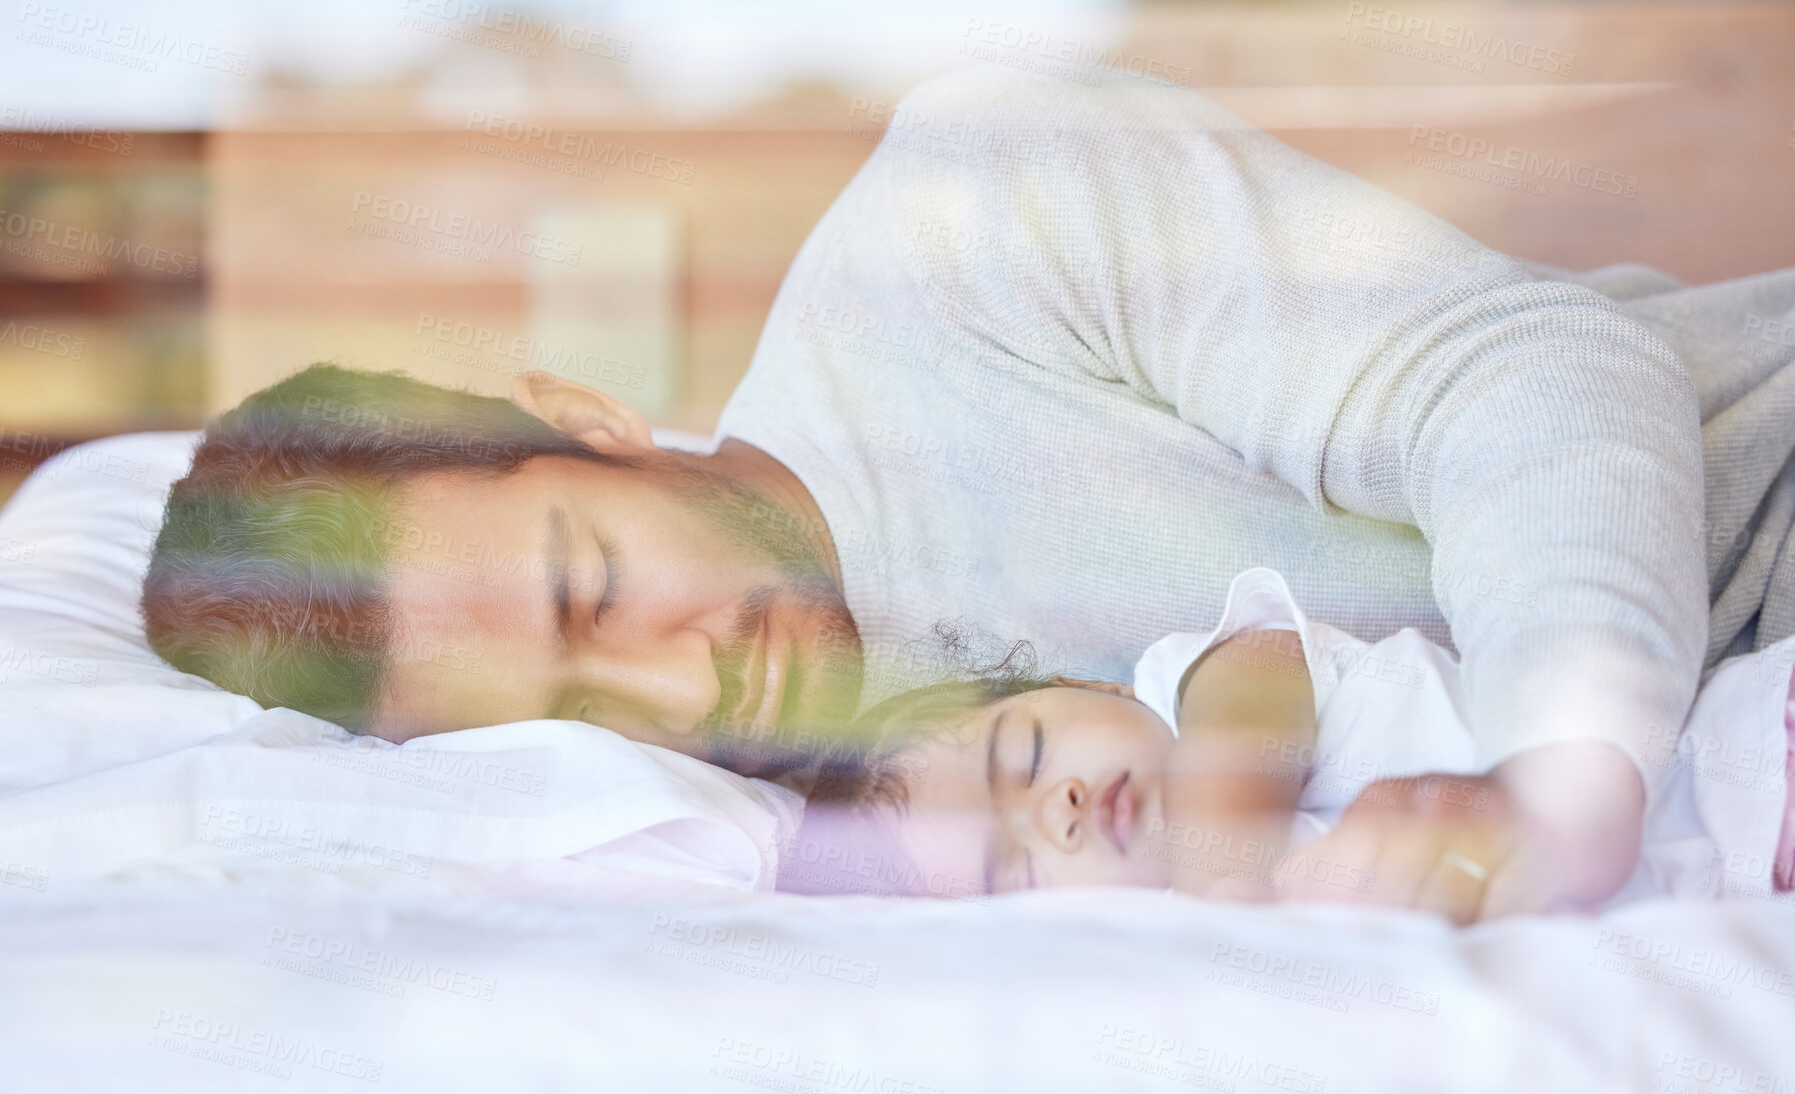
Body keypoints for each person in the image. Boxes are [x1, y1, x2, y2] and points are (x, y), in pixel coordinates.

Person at [141, 62, 1795, 917]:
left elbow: (1536, 375)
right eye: (568, 705)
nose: (682, 681)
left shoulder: (976, 209)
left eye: (596, 588)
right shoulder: (851, 833)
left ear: (590, 416)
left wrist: (1560, 788)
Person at [780, 568, 1795, 922]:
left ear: (1079, 686)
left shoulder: (1191, 686)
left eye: (1030, 759)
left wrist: (1232, 872)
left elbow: (1259, 676)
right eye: (1015, 864)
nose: (1063, 808)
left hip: (1747, 746)